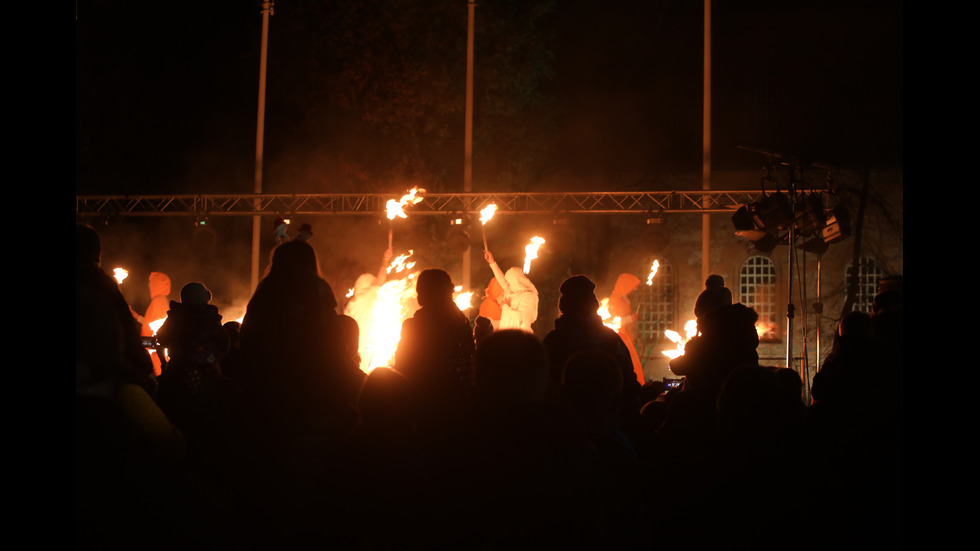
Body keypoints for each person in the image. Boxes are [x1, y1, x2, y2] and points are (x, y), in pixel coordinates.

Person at [542, 275, 640, 415]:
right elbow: (628, 382)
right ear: (594, 305)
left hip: (564, 424)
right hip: (606, 420)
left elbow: (544, 386)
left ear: (563, 306)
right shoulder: (610, 339)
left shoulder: (553, 341)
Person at [394, 269, 475, 424]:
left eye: (421, 290)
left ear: (429, 293)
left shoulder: (418, 325)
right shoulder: (461, 322)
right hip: (460, 402)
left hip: (427, 403)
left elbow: (404, 365)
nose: (418, 296)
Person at [344, 247, 394, 372]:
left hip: (354, 350)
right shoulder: (366, 298)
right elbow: (380, 283)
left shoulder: (351, 305)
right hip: (367, 348)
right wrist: (385, 259)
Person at [483, 250, 539, 333]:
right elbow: (501, 280)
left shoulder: (529, 297)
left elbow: (521, 319)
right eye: (506, 281)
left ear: (515, 282)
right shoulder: (511, 292)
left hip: (520, 338)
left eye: (508, 282)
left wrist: (505, 307)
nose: (506, 285)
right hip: (506, 338)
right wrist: (492, 262)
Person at [607, 272, 645, 385]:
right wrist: (630, 318)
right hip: (619, 339)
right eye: (632, 287)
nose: (634, 290)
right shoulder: (613, 301)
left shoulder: (624, 301)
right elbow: (611, 321)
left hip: (626, 338)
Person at [137, 271, 172, 376]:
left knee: (158, 376)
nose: (149, 285)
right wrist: (134, 315)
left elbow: (157, 328)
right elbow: (150, 323)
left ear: (157, 284)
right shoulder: (160, 301)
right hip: (154, 350)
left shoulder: (158, 301)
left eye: (151, 282)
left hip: (155, 352)